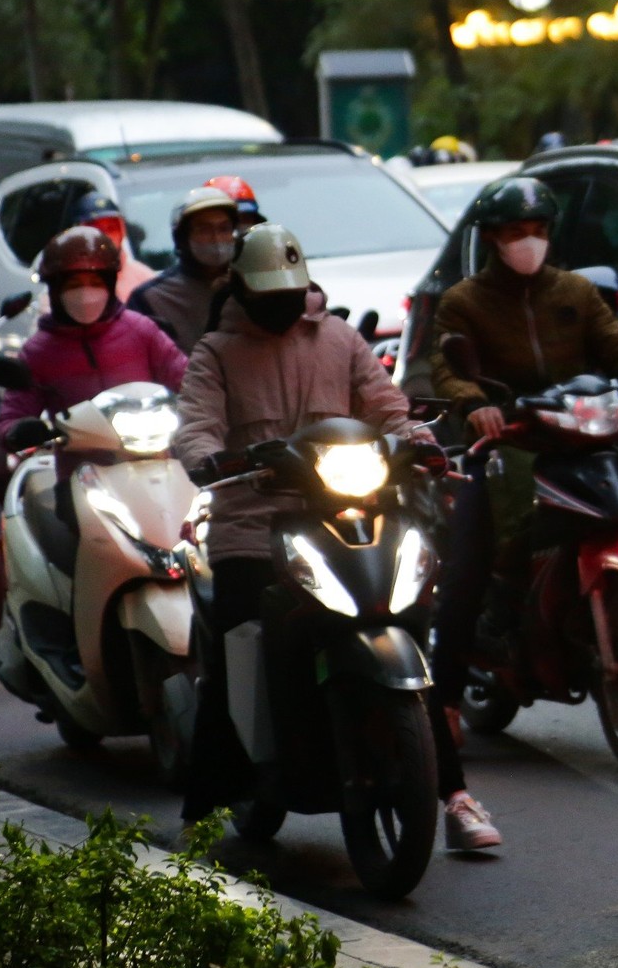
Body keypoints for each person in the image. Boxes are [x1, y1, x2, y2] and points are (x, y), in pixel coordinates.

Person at [173, 224, 499, 850]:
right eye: (269, 292)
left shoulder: (341, 339)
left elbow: (388, 407)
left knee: (409, 622)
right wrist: (209, 458)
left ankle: (454, 794)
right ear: (242, 289)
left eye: (290, 291)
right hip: (254, 524)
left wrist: (421, 443)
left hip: (350, 516)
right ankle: (207, 803)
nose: (282, 303)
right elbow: (196, 425)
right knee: (240, 634)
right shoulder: (216, 352)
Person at [426, 177, 618, 722]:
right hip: (507, 442)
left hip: (582, 436)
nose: (529, 241)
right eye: (516, 231)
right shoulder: (464, 302)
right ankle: (444, 699)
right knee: (468, 568)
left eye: (538, 229)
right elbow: (446, 368)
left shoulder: (576, 292)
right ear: (491, 237)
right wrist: (475, 404)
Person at [0, 226, 186, 443]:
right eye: (74, 285)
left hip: (153, 450)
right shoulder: (37, 352)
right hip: (80, 461)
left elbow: (187, 381)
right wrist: (18, 432)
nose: (86, 294)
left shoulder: (141, 330)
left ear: (110, 286)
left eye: (95, 283)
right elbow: (11, 417)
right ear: (56, 291)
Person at [128, 187, 241, 353]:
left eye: (224, 229)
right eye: (204, 229)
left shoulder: (251, 284)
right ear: (182, 238)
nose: (216, 238)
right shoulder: (150, 298)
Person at [69, 191, 157, 299]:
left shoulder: (144, 278)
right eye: (97, 229)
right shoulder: (68, 282)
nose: (106, 236)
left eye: (111, 228)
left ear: (122, 231)